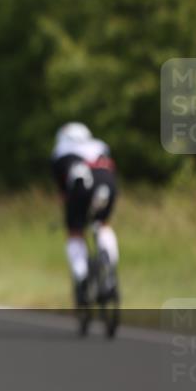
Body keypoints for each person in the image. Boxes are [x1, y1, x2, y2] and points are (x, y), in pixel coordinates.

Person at [50, 122, 120, 308]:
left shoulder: (61, 151)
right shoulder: (100, 145)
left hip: (81, 184)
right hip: (108, 183)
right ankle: (109, 267)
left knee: (75, 232)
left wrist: (70, 216)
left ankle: (81, 274)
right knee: (103, 224)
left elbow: (63, 192)